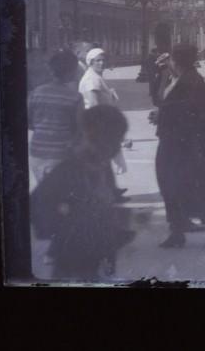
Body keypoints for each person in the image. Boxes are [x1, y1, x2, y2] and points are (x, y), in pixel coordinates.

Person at [31, 105, 143, 280]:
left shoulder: (102, 167)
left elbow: (105, 203)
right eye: (115, 140)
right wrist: (65, 232)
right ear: (97, 138)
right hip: (72, 266)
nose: (117, 147)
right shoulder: (69, 170)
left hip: (96, 261)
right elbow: (38, 203)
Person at [150, 44, 205, 249]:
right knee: (173, 185)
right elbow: (164, 99)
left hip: (185, 144)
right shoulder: (179, 78)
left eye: (173, 60)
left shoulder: (191, 81)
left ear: (179, 61)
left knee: (194, 185)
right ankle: (178, 230)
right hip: (174, 140)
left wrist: (163, 114)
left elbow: (189, 111)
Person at [28, 50, 85, 186]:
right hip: (61, 155)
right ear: (71, 72)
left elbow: (30, 123)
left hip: (37, 152)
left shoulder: (36, 92)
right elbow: (79, 129)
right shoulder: (75, 97)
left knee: (45, 194)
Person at [78, 48, 127, 183]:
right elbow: (94, 105)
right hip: (96, 126)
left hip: (98, 124)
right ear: (90, 62)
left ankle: (111, 191)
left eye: (103, 60)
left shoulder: (96, 76)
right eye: (98, 61)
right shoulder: (91, 79)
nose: (101, 63)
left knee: (104, 160)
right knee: (100, 160)